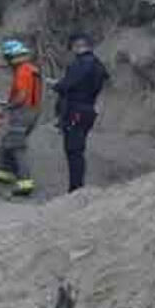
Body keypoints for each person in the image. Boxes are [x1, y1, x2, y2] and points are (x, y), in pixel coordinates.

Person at [51, 32, 109, 192]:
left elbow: (67, 85)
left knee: (73, 150)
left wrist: (57, 85)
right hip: (89, 108)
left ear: (78, 46)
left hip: (76, 109)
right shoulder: (98, 64)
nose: (72, 51)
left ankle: (75, 188)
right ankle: (76, 187)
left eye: (73, 47)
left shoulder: (81, 64)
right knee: (78, 149)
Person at [0, 41, 43, 196]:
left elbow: (21, 96)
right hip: (33, 111)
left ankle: (24, 181)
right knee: (7, 142)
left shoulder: (22, 71)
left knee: (17, 146)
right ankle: (6, 174)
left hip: (23, 112)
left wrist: (8, 106)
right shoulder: (32, 69)